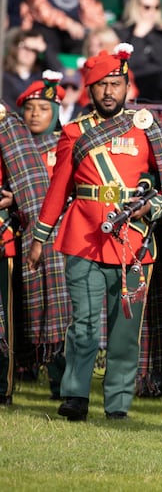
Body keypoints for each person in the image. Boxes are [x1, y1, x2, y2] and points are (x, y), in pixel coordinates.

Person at [26, 44, 162, 421]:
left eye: (116, 84)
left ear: (127, 86)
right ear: (90, 89)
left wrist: (150, 208)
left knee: (126, 331)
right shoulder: (74, 131)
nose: (110, 91)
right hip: (83, 237)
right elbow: (58, 189)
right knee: (85, 324)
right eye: (102, 85)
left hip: (135, 242)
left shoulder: (146, 128)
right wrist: (40, 237)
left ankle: (118, 403)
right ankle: (75, 395)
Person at [17, 72, 73, 399]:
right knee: (29, 310)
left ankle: (61, 382)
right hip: (23, 237)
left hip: (61, 239)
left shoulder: (67, 143)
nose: (35, 114)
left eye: (42, 107)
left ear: (55, 111)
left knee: (59, 313)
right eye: (29, 108)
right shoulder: (14, 149)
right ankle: (24, 367)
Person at [0, 100, 52, 406]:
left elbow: (27, 185)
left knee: (3, 319)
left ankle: (2, 388)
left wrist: (11, 197)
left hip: (2, 236)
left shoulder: (7, 121)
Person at [2, 29, 61, 112]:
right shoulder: (4, 76)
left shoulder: (41, 77)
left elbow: (59, 73)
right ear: (16, 48)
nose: (28, 52)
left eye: (34, 50)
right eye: (25, 47)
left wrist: (44, 49)